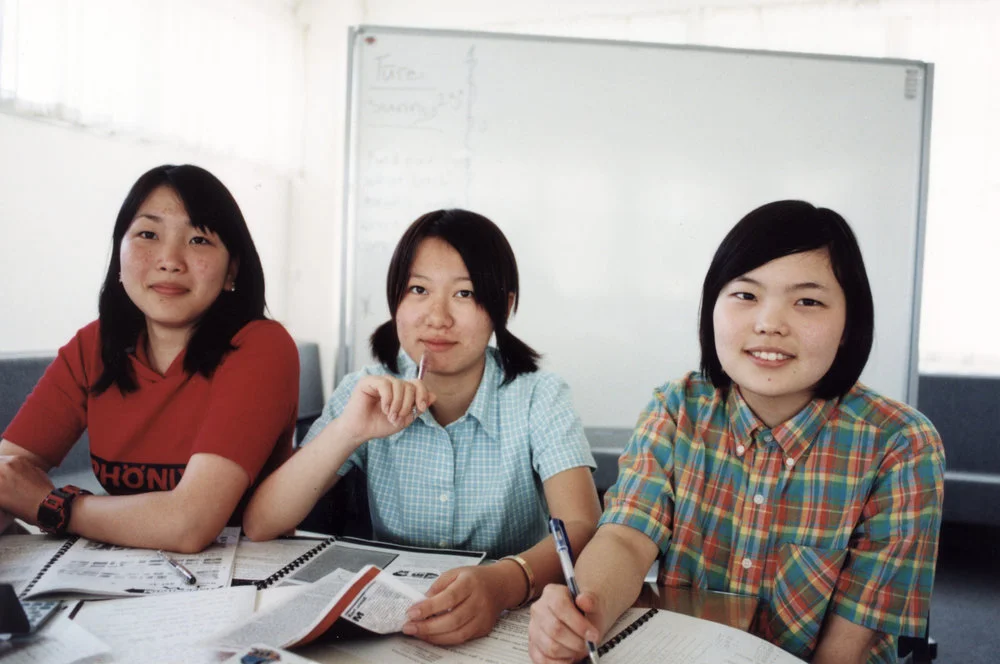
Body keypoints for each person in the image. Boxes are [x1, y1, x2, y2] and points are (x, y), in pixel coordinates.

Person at [527, 200, 945, 664]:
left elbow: (848, 644)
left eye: (807, 301)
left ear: (849, 323)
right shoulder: (677, 408)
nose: (769, 324)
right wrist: (586, 611)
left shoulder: (900, 445)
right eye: (745, 295)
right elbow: (626, 537)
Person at [243, 208, 601, 645]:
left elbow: (581, 526)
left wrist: (502, 583)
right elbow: (262, 524)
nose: (437, 317)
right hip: (395, 625)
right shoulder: (364, 389)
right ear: (397, 299)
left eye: (464, 294)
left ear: (502, 307)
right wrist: (348, 431)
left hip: (514, 621)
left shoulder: (538, 396)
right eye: (418, 289)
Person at [0, 164, 299, 553]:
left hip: (237, 579)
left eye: (198, 240)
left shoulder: (261, 347)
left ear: (232, 270)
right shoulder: (94, 344)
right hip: (117, 573)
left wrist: (55, 506)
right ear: (119, 256)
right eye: (148, 234)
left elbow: (190, 524)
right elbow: (9, 472)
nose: (170, 260)